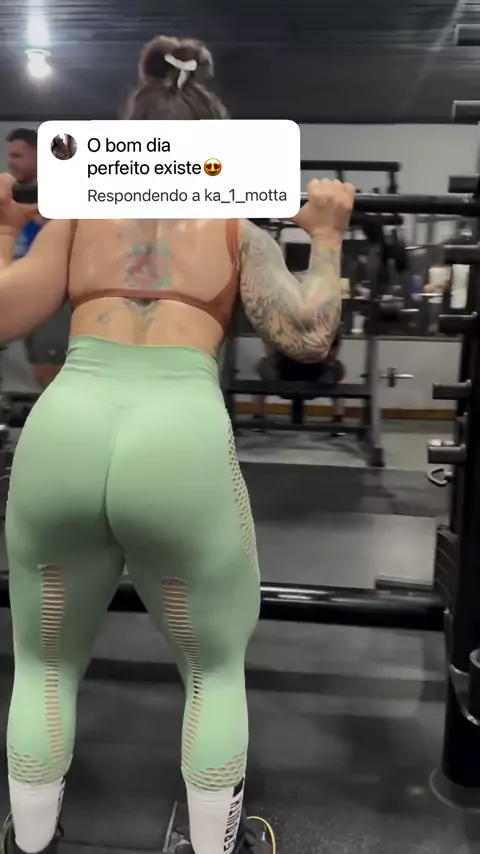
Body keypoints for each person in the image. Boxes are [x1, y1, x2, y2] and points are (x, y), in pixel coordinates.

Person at [0, 34, 355, 854]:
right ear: (213, 147)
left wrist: (6, 227)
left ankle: (31, 840)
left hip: (65, 428)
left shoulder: (78, 215)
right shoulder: (233, 224)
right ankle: (210, 843)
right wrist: (327, 233)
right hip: (178, 440)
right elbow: (308, 335)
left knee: (43, 665)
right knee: (212, 669)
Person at [7, 128, 70, 390]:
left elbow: (74, 240)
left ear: (37, 155)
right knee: (40, 371)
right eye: (10, 156)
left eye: (18, 156)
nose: (11, 162)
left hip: (50, 295)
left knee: (52, 373)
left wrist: (42, 218)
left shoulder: (61, 192)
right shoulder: (12, 194)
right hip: (21, 288)